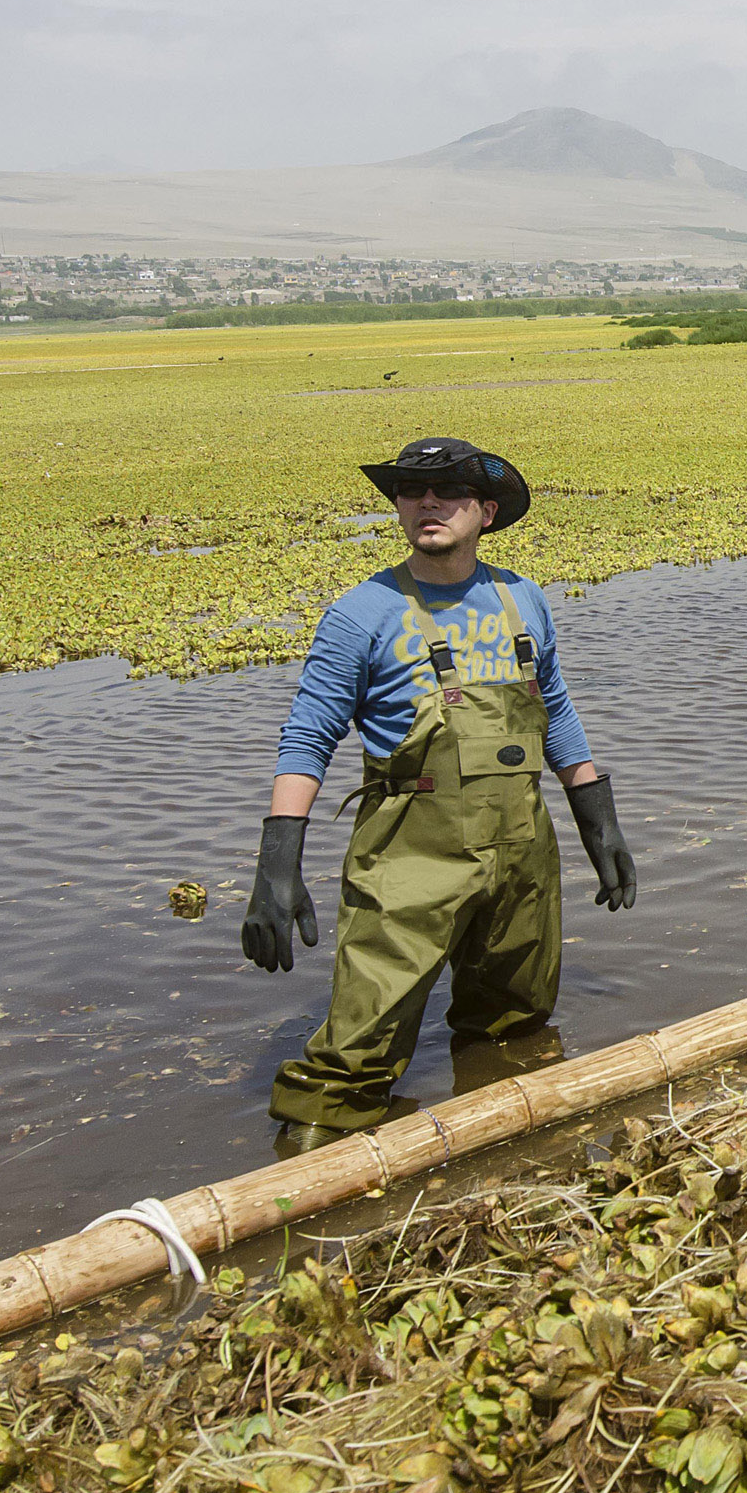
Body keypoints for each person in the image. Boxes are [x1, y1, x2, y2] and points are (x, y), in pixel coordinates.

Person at [240, 436, 638, 1150]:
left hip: (521, 851)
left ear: (486, 511)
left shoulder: (522, 600)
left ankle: (502, 1178)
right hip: (409, 859)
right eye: (411, 492)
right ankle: (300, 1210)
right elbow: (308, 736)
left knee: (513, 1029)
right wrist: (278, 859)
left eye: (448, 491)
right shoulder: (362, 613)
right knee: (350, 1063)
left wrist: (596, 820)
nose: (428, 503)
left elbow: (556, 709)